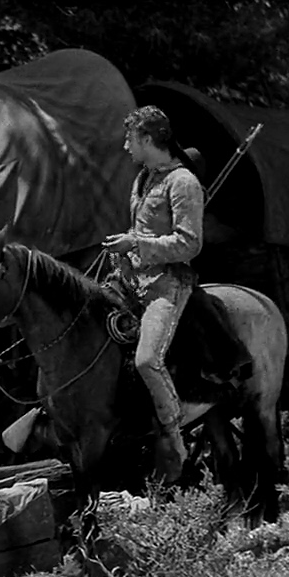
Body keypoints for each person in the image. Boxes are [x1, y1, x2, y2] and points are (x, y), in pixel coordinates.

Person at [102, 106, 204, 484]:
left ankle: (174, 440)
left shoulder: (183, 183)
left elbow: (189, 243)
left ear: (147, 138)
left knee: (147, 360)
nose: (125, 145)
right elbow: (140, 229)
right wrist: (125, 251)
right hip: (132, 279)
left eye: (130, 138)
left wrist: (137, 243)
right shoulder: (144, 178)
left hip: (167, 284)